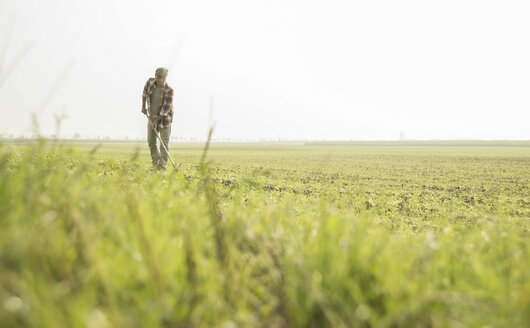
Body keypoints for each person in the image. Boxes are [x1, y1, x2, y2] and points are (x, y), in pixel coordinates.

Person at [141, 67, 174, 170]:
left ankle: (162, 167)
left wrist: (156, 121)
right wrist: (143, 106)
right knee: (151, 141)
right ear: (155, 76)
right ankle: (156, 163)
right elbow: (144, 94)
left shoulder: (169, 90)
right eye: (159, 77)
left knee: (164, 144)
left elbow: (165, 110)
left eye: (163, 77)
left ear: (165, 77)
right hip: (151, 116)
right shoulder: (150, 82)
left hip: (165, 119)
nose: (161, 79)